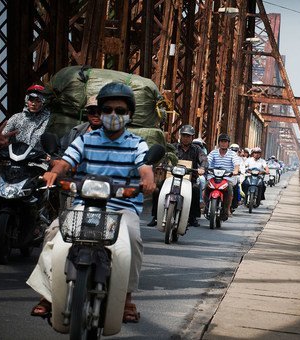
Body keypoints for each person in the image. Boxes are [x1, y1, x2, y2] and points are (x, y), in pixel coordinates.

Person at [27, 82, 155, 324]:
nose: (113, 115)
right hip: (84, 204)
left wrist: (147, 179)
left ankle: (126, 299)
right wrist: (55, 172)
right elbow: (66, 161)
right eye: (107, 110)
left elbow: (145, 166)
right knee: (53, 233)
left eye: (120, 110)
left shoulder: (137, 144)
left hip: (121, 208)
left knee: (133, 241)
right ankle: (47, 295)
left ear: (129, 114)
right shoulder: (85, 140)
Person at [170, 124, 207, 227]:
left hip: (189, 180)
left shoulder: (197, 149)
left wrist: (202, 168)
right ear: (180, 136)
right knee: (158, 188)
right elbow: (165, 156)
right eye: (184, 135)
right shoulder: (172, 147)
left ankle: (193, 217)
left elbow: (204, 159)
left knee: (195, 189)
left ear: (192, 137)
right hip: (172, 178)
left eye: (188, 136)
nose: (185, 138)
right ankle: (156, 216)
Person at [205, 133, 240, 221]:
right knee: (205, 186)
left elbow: (236, 164)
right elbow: (207, 161)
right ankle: (205, 206)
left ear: (228, 143)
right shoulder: (213, 152)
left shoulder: (232, 154)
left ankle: (227, 209)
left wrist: (235, 170)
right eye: (222, 141)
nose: (223, 143)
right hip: (213, 175)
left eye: (225, 142)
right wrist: (204, 167)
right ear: (219, 143)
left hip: (227, 177)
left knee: (229, 188)